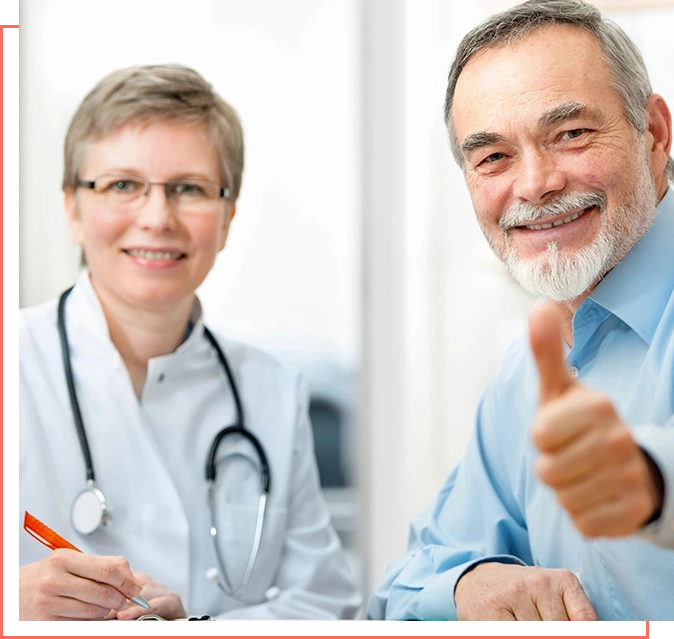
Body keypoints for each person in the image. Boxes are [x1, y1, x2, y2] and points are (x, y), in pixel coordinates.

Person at [18, 63, 362, 622]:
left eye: (189, 189)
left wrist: (195, 631)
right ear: (72, 209)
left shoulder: (271, 392)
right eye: (122, 185)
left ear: (226, 217)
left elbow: (326, 603)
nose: (157, 217)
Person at [368, 0, 674, 622]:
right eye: (493, 158)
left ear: (655, 134)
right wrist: (468, 585)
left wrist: (649, 481)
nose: (534, 184)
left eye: (570, 135)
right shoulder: (526, 376)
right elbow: (404, 583)